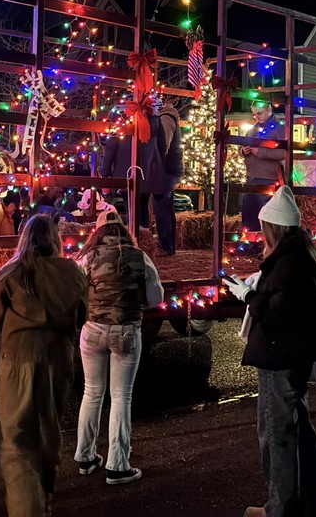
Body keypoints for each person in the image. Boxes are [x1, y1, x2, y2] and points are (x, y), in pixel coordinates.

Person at [225, 186, 316, 517]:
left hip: (281, 357)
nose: (260, 235)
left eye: (263, 228)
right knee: (298, 431)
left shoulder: (289, 264)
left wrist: (246, 295)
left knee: (277, 436)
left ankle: (280, 508)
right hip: (293, 354)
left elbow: (276, 316)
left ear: (273, 228)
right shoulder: (300, 256)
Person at [0, 214, 88, 517]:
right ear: (55, 238)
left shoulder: (11, 272)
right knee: (48, 434)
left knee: (18, 443)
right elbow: (82, 316)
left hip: (17, 360)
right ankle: (45, 502)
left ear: (24, 237)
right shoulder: (72, 271)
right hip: (58, 359)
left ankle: (28, 510)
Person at [73, 210, 164, 485]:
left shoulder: (86, 258)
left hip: (93, 330)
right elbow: (155, 298)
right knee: (121, 397)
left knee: (92, 393)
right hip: (126, 331)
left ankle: (86, 457)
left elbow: (76, 294)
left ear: (98, 232)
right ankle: (117, 465)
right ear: (124, 231)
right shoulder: (140, 257)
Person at [240, 101, 286, 234]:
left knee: (267, 215)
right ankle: (250, 242)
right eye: (254, 114)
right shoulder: (252, 130)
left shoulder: (279, 129)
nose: (257, 117)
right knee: (249, 212)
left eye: (259, 113)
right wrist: (243, 151)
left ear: (269, 109)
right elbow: (240, 147)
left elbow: (284, 153)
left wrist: (260, 152)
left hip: (268, 178)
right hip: (251, 178)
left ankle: (268, 242)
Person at [151, 98, 183, 256]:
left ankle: (165, 245)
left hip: (166, 169)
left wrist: (156, 166)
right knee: (165, 206)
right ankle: (168, 245)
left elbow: (164, 145)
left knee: (161, 205)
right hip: (169, 168)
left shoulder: (165, 119)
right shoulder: (168, 117)